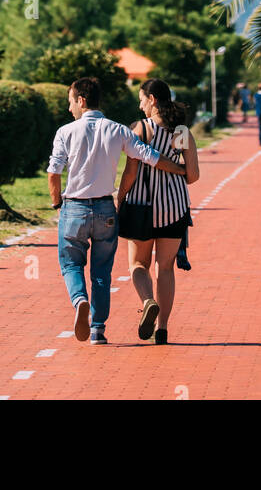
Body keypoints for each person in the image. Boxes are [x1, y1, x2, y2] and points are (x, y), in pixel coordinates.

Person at [47, 76, 186, 345]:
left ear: (81, 100)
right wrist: (181, 170)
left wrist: (56, 203)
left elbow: (54, 173)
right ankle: (98, 329)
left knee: (71, 263)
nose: (69, 109)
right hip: (105, 208)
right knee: (101, 271)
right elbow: (150, 157)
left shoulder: (65, 132)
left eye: (70, 102)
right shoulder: (119, 130)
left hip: (74, 207)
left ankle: (79, 300)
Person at [117, 80, 200, 345]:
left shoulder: (140, 129)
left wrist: (120, 196)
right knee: (165, 268)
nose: (140, 105)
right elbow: (194, 175)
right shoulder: (182, 132)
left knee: (138, 265)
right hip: (175, 208)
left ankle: (147, 301)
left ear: (152, 99)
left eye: (141, 99)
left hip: (142, 206)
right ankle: (162, 328)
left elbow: (130, 172)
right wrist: (174, 175)